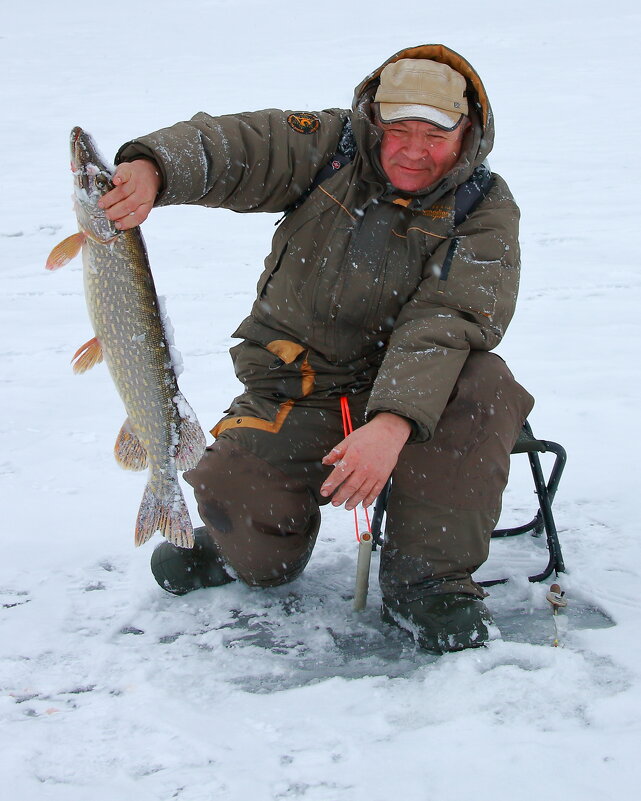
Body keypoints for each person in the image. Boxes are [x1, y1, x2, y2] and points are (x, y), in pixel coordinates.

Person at [100, 44, 533, 654]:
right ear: (373, 124)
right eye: (398, 130)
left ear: (468, 133)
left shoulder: (483, 207)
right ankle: (244, 552)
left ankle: (429, 582)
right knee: (240, 513)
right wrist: (152, 166)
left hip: (420, 398)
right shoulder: (331, 148)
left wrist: (391, 421)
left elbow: (451, 318)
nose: (413, 151)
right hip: (297, 389)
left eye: (435, 135)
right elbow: (238, 146)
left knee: (484, 382)